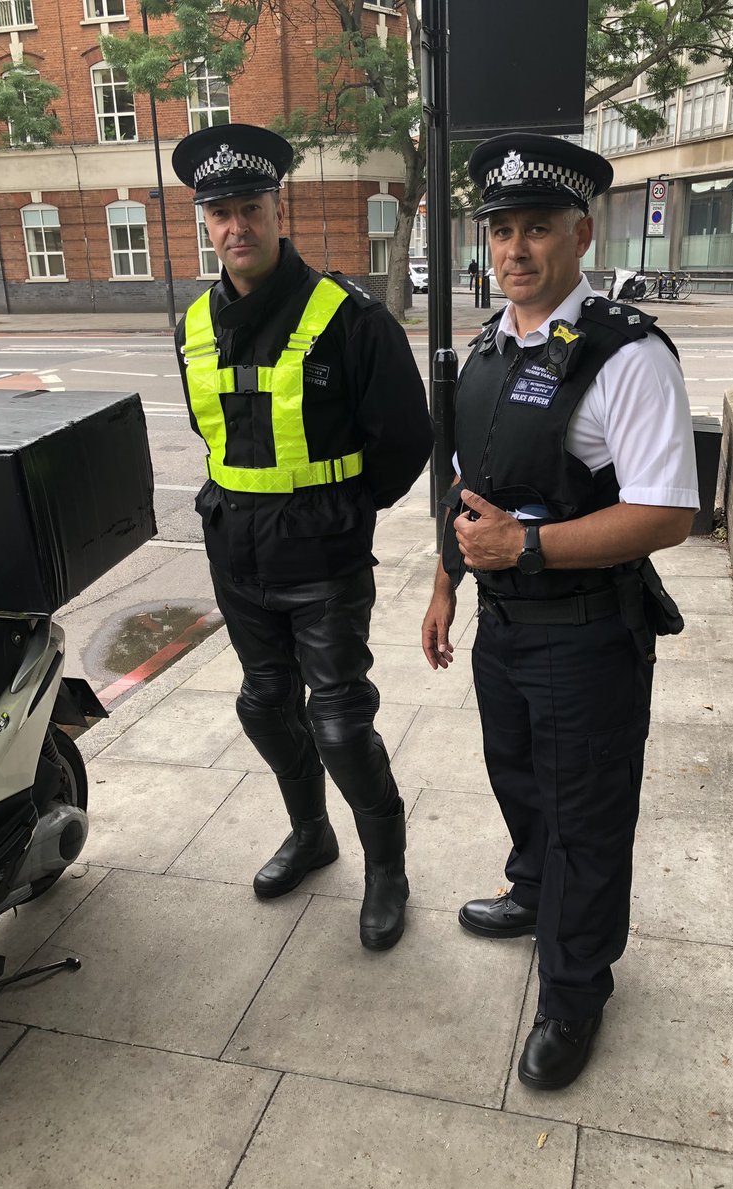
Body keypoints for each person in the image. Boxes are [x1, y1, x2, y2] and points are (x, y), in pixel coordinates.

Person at [421, 134, 698, 1088]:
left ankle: (576, 993)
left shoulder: (627, 356)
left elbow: (667, 513)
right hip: (504, 626)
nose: (515, 248)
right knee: (519, 779)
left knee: (586, 812)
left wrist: (528, 547)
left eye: (538, 228)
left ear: (582, 233)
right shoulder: (488, 347)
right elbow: (468, 482)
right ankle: (532, 894)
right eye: (501, 229)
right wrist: (448, 580)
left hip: (588, 638)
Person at [172, 124, 433, 951]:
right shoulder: (193, 323)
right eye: (219, 213)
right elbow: (210, 434)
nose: (235, 227)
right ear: (205, 223)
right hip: (236, 553)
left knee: (341, 723)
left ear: (275, 210)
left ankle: (386, 866)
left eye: (248, 208)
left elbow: (406, 437)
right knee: (262, 704)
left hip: (322, 556)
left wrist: (346, 513)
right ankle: (312, 834)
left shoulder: (347, 318)